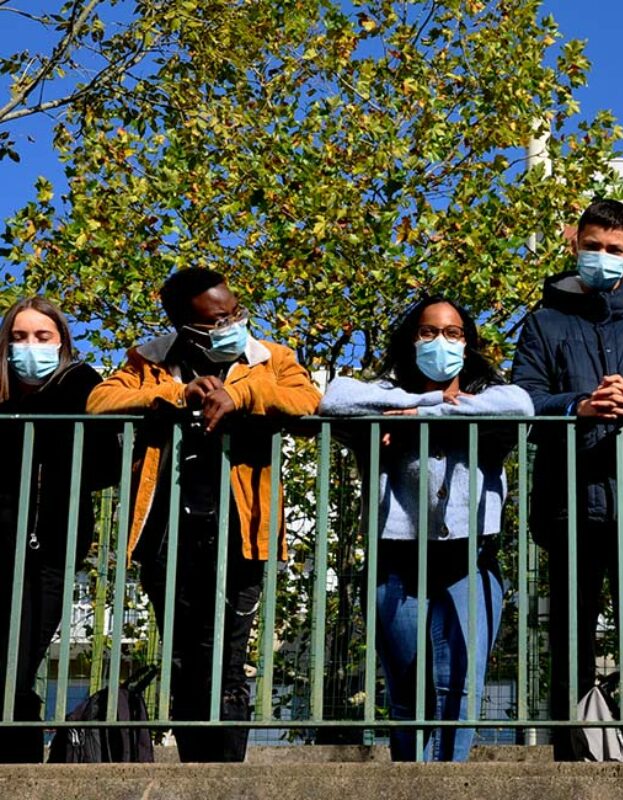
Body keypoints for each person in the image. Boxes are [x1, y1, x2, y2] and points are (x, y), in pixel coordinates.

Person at [87, 268, 321, 762]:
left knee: (230, 659)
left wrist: (243, 395)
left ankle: (226, 775)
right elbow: (100, 399)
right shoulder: (149, 360)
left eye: (235, 312)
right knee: (182, 656)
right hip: (165, 533)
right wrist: (175, 395)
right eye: (218, 319)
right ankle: (196, 769)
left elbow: (307, 400)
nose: (232, 322)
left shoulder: (270, 357)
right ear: (185, 327)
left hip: (243, 533)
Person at [319, 297, 532, 761]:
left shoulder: (486, 395)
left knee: (461, 685)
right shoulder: (384, 391)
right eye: (429, 331)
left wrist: (424, 418)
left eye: (454, 333)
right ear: (411, 338)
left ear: (468, 344)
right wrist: (428, 401)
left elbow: (520, 405)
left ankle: (449, 784)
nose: (442, 342)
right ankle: (409, 782)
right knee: (407, 695)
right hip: (397, 563)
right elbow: (334, 399)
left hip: (470, 561)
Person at [511, 198, 623, 761]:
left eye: (613, 250)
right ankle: (571, 759)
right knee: (569, 641)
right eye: (593, 247)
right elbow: (525, 400)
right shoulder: (541, 324)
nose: (602, 257)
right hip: (570, 507)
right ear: (574, 246)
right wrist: (579, 406)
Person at [0, 297, 116, 762]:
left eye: (42, 337)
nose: (30, 346)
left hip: (47, 547)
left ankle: (18, 769)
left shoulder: (80, 384)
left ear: (62, 342)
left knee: (17, 666)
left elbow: (107, 461)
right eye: (19, 337)